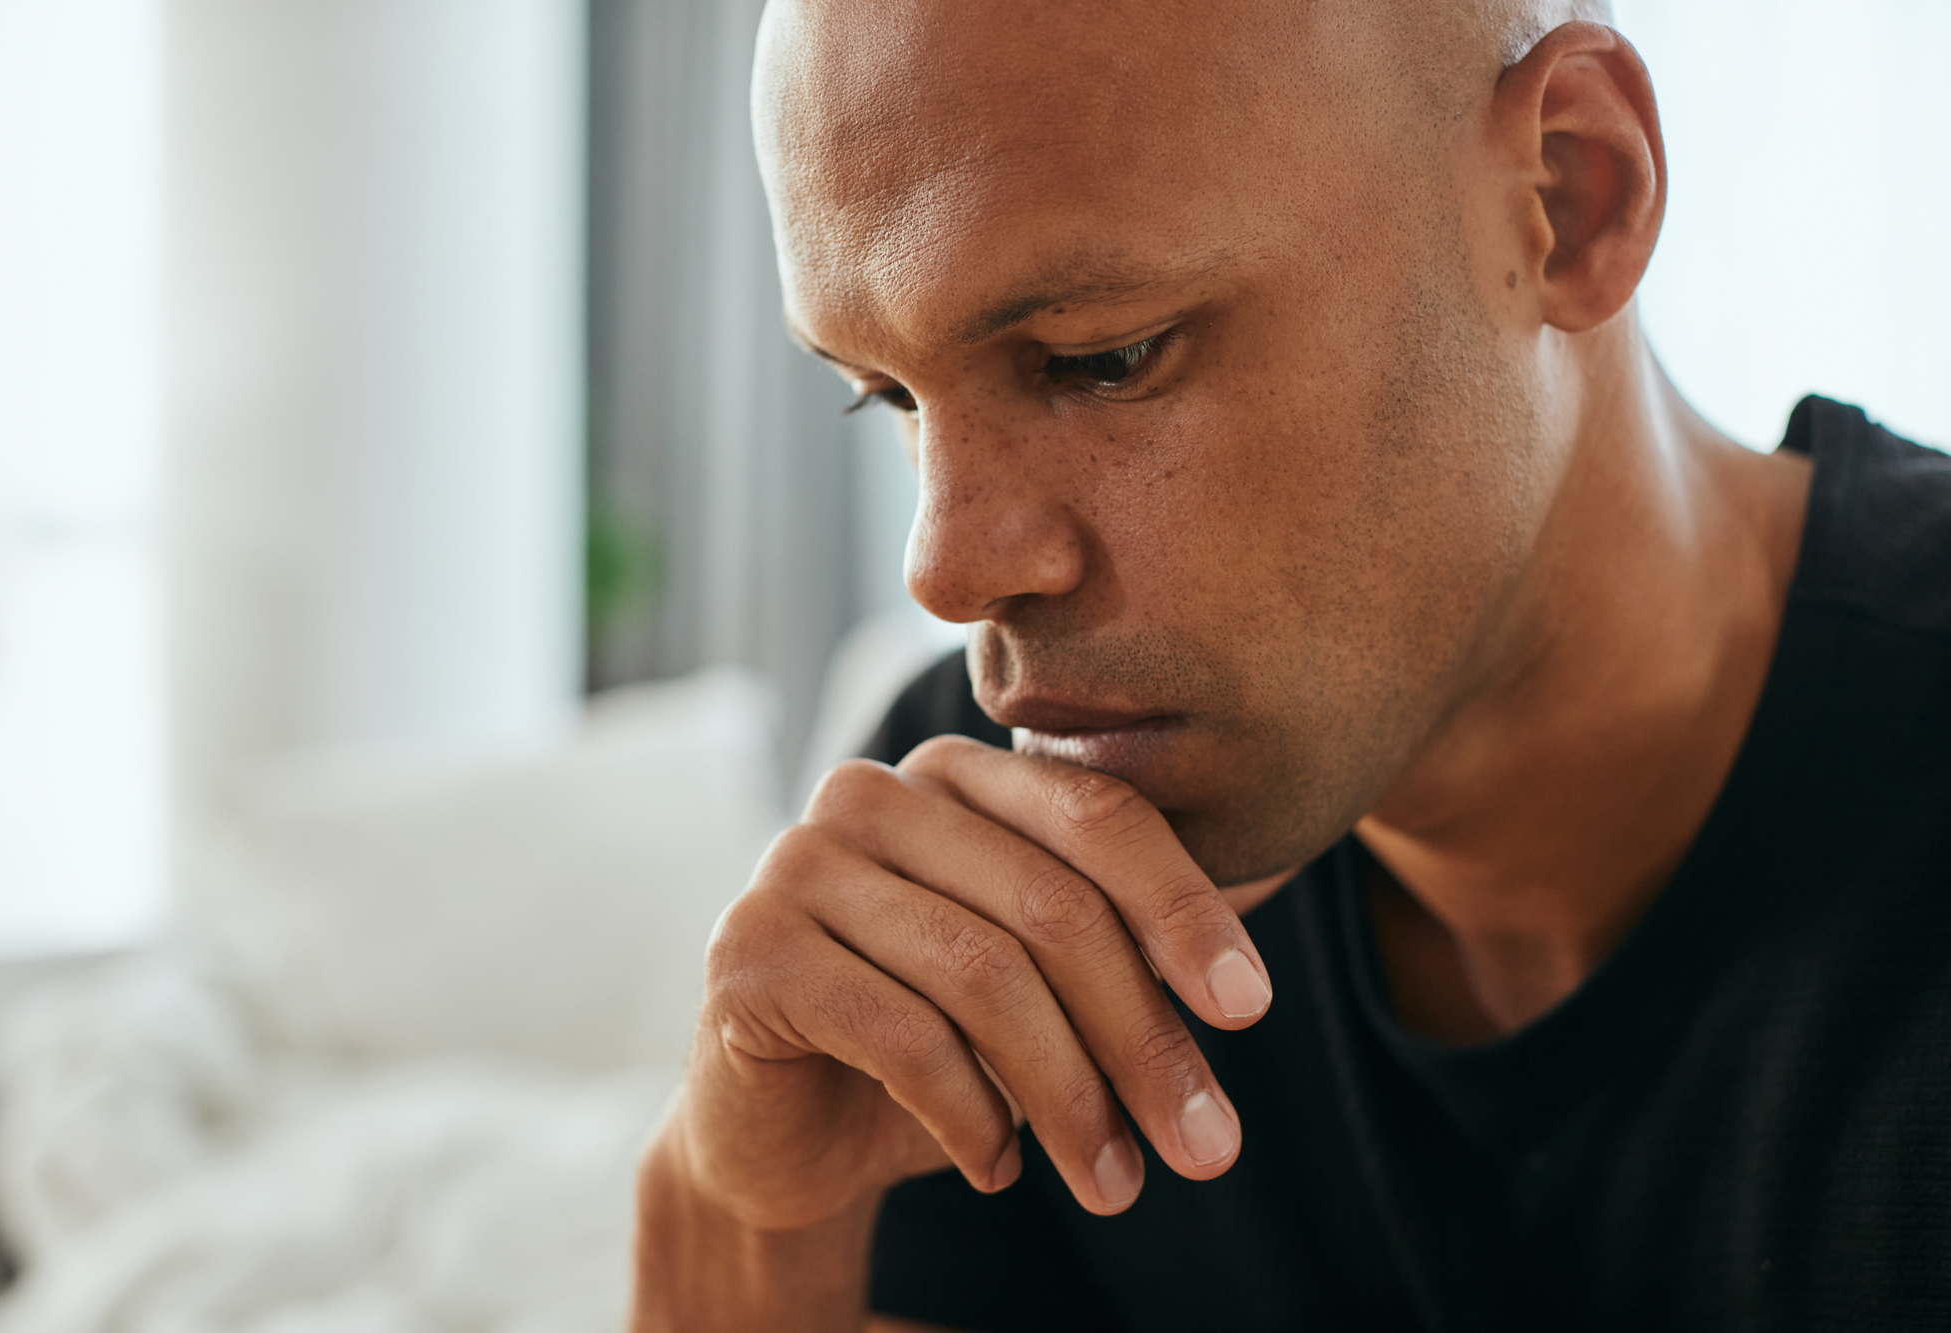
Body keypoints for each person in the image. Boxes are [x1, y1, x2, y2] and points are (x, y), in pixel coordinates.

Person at [629, 0, 1951, 1327]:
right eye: (893, 396)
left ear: (1571, 193)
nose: (949, 569)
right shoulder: (973, 879)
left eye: (1102, 359)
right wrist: (755, 1217)